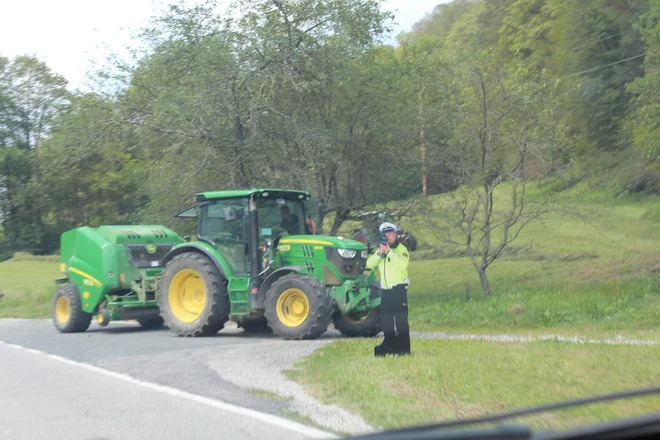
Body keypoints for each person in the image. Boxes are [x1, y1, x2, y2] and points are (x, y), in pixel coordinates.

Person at [366, 222, 411, 357]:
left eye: (390, 233)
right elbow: (369, 264)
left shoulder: (401, 249)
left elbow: (402, 265)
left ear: (395, 234)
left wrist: (389, 252)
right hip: (385, 290)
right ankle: (389, 345)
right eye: (384, 234)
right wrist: (380, 253)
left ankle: (404, 349)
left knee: (401, 320)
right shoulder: (382, 250)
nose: (387, 236)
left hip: (398, 290)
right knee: (387, 321)